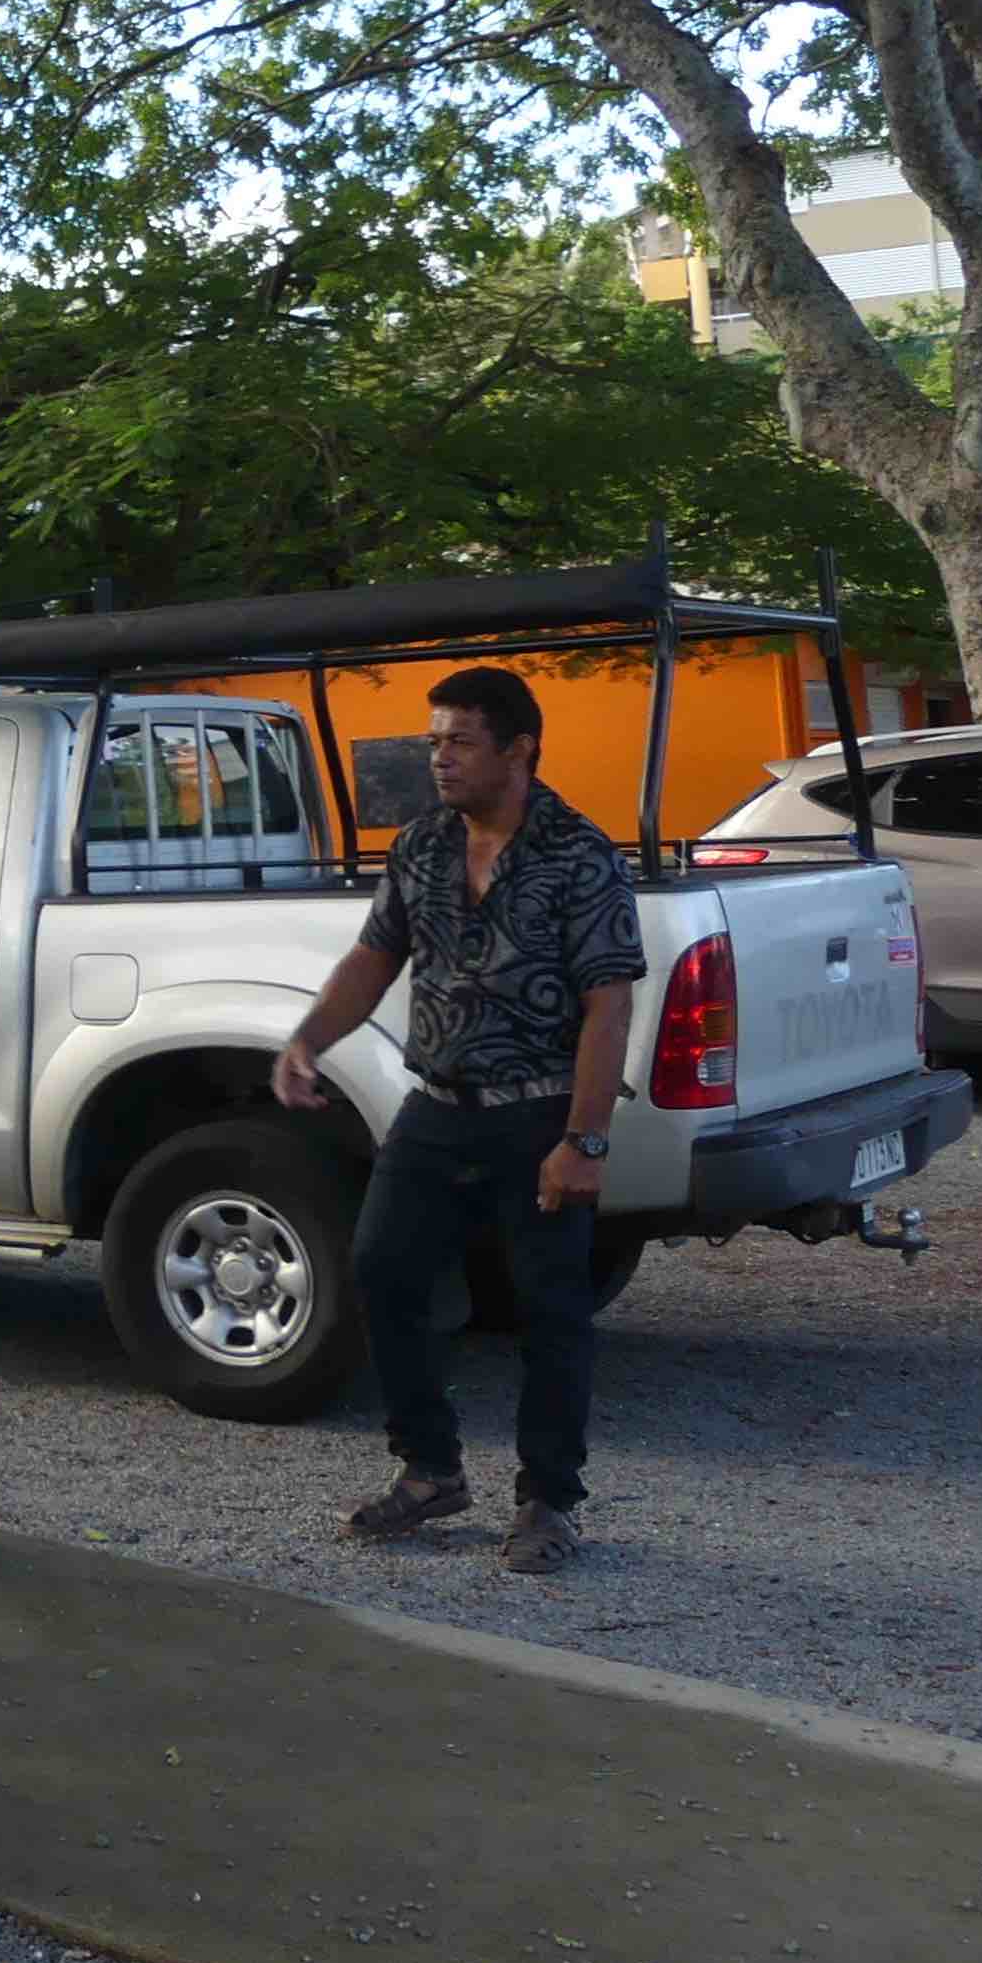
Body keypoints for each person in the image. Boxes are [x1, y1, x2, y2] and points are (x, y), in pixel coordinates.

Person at [272, 664, 643, 1576]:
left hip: (539, 1114)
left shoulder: (578, 854)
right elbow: (375, 955)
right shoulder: (425, 843)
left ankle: (550, 1502)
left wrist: (583, 1140)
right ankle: (430, 1470)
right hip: (435, 1108)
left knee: (549, 1310)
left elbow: (609, 1007)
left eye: (459, 741)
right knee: (382, 1270)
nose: (438, 758)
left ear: (519, 749)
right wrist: (307, 1039)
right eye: (433, 739)